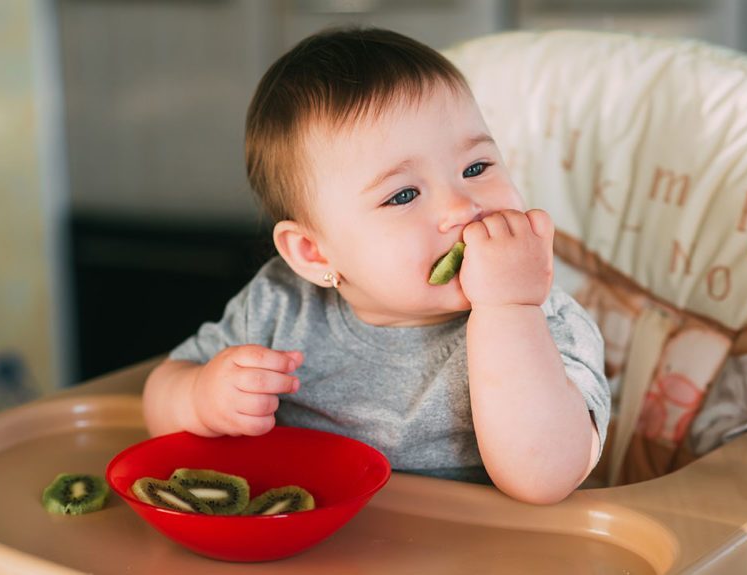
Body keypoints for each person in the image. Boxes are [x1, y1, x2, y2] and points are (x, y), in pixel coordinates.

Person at [142, 27, 610, 505]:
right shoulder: (279, 307)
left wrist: (509, 308)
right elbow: (160, 394)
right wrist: (203, 398)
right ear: (313, 253)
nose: (462, 207)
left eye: (476, 168)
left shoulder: (543, 320)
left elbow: (545, 478)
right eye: (403, 195)